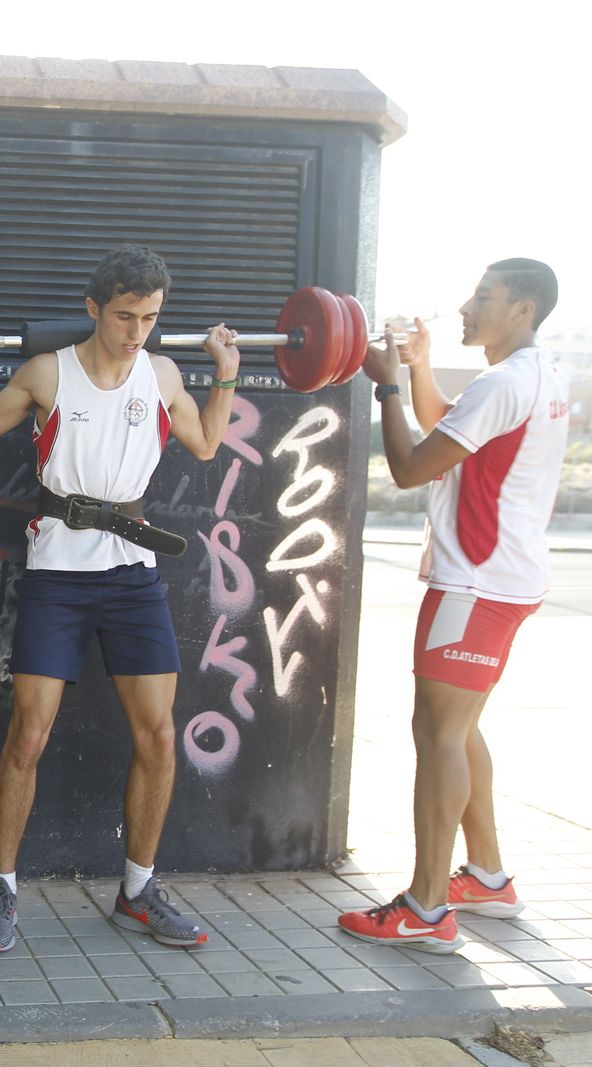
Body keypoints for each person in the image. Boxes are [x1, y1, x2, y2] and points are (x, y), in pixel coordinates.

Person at [0, 245, 241, 952]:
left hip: (133, 569)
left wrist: (225, 376)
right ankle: (3, 887)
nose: (137, 331)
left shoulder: (161, 373)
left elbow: (202, 443)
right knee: (29, 735)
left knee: (159, 735)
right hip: (59, 572)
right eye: (125, 316)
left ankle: (137, 891)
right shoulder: (49, 372)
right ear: (93, 309)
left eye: (150, 318)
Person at [339, 259, 566, 953]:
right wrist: (419, 366)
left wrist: (383, 388)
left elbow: (410, 467)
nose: (467, 306)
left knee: (437, 732)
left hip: (476, 583)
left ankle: (427, 906)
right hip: (505, 580)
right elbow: (446, 432)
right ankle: (488, 878)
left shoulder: (505, 381)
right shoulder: (537, 375)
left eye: (484, 297)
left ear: (521, 310)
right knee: (459, 728)